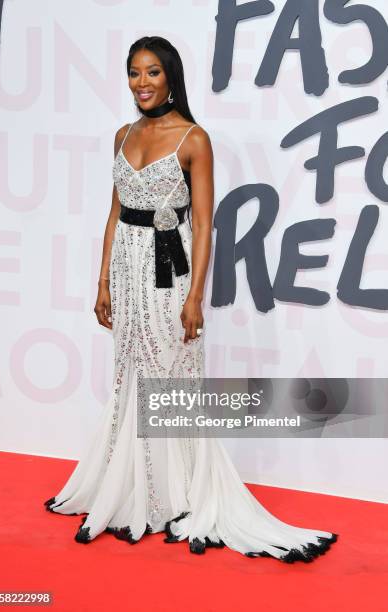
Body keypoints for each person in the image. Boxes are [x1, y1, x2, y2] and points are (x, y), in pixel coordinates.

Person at [44, 36, 338, 562]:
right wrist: (102, 282)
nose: (141, 83)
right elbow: (113, 214)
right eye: (134, 73)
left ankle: (173, 496)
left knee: (170, 378)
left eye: (152, 72)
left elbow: (204, 224)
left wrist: (195, 296)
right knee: (131, 376)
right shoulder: (122, 135)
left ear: (171, 77)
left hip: (170, 274)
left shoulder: (194, 140)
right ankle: (134, 491)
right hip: (128, 271)